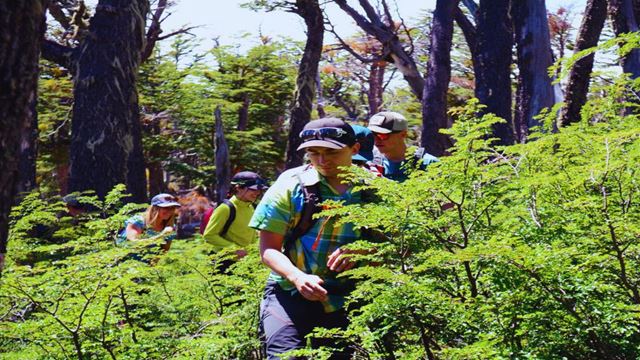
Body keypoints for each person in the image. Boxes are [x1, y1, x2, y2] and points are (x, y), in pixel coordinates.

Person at [250, 117, 365, 359]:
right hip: (288, 292)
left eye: (331, 152)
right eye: (314, 153)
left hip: (346, 297)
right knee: (286, 356)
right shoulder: (290, 187)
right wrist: (297, 276)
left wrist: (363, 251)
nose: (322, 161)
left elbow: (395, 246)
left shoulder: (372, 190)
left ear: (354, 149)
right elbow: (268, 249)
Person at [202, 171, 268, 260]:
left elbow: (251, 235)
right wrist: (234, 249)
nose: (257, 193)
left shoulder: (250, 207)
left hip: (244, 262)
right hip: (223, 261)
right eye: (253, 189)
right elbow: (209, 235)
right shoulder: (225, 208)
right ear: (238, 188)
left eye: (259, 190)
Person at [367, 111, 438, 182]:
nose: (376, 140)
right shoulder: (369, 163)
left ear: (403, 134)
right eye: (372, 135)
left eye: (382, 135)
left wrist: (383, 182)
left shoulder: (429, 164)